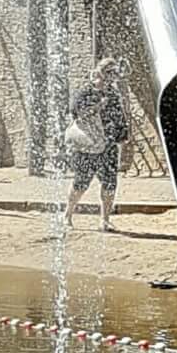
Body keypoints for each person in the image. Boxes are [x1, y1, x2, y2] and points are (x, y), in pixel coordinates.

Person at [63, 58, 128, 231]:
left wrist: (122, 134)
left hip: (108, 145)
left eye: (112, 75)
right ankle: (67, 215)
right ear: (100, 73)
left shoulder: (113, 94)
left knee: (109, 183)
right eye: (108, 74)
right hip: (88, 145)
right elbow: (75, 110)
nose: (110, 79)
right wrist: (98, 106)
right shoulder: (86, 91)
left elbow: (119, 116)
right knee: (81, 182)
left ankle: (105, 220)